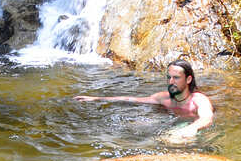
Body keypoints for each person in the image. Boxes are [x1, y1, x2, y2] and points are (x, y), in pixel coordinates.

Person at [74, 60, 214, 144]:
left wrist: (192, 128)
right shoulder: (163, 98)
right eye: (169, 77)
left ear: (188, 79)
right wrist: (96, 99)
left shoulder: (198, 100)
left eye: (176, 78)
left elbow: (207, 118)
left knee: (173, 139)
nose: (171, 82)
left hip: (189, 126)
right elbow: (133, 100)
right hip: (170, 121)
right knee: (134, 126)